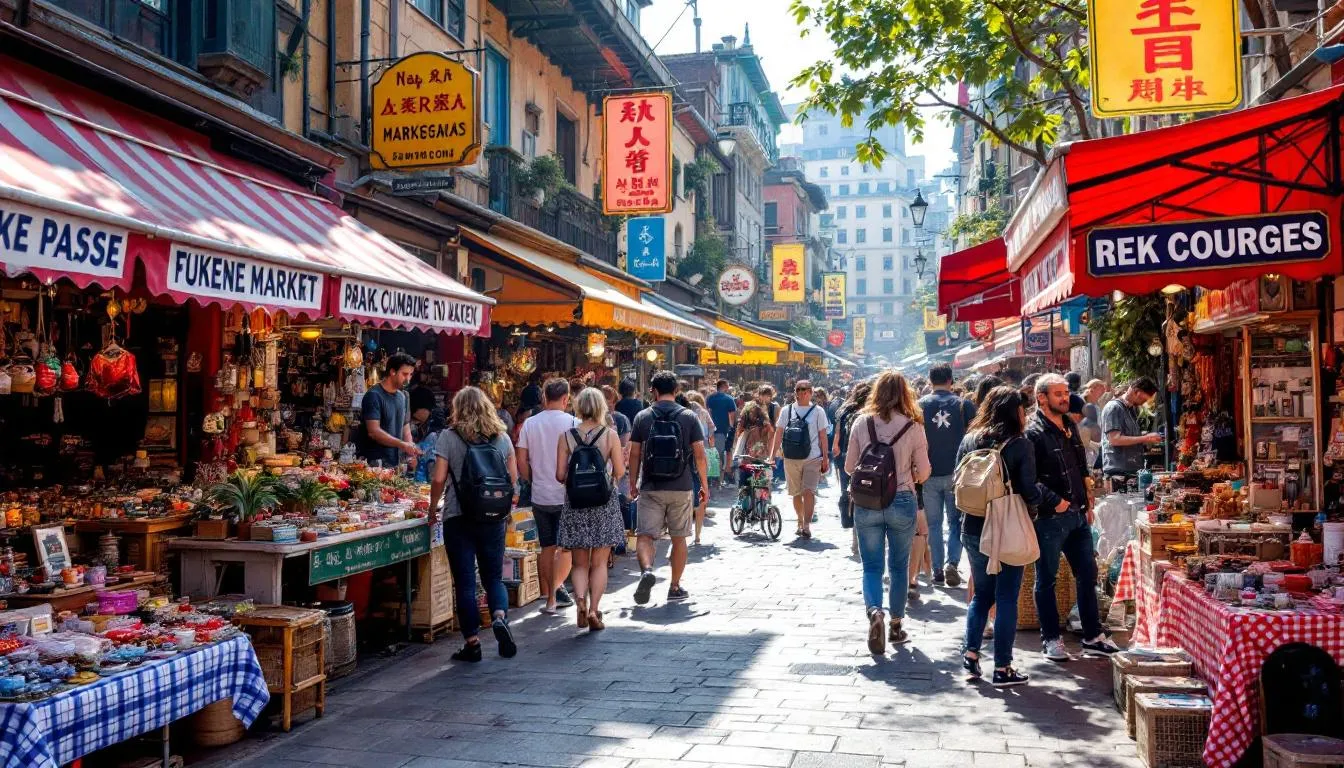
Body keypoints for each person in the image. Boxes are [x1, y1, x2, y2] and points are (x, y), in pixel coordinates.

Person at [1027, 374, 1122, 661]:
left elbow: (1081, 465)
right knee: (1046, 579)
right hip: (1050, 518)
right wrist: (1055, 502)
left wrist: (1088, 500)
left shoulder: (1069, 423)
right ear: (1041, 397)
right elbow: (1028, 481)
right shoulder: (1032, 432)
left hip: (1079, 514)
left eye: (1066, 393)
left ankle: (1092, 635)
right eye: (1058, 394)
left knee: (1088, 575)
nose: (1065, 398)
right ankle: (1051, 639)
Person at [955, 386, 1041, 687]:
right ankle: (1003, 667)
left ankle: (970, 654)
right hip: (1005, 527)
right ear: (1015, 412)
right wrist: (1036, 509)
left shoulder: (970, 439)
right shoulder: (1021, 444)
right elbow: (1029, 490)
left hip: (973, 526)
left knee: (981, 594)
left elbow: (958, 479)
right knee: (1006, 597)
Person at [428, 386, 519, 662]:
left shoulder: (449, 436)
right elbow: (513, 479)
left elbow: (439, 478)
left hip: (459, 517)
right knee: (493, 577)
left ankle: (472, 642)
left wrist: (433, 508)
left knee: (465, 581)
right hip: (493, 518)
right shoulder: (502, 438)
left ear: (458, 408)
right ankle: (500, 617)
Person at [844, 371, 931, 654]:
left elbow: (848, 467)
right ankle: (896, 624)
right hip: (902, 499)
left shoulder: (861, 422)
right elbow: (925, 470)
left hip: (868, 502)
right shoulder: (913, 426)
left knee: (871, 566)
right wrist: (909, 474)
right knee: (898, 566)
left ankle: (874, 613)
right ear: (905, 393)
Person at [628, 370, 708, 604]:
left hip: (651, 485)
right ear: (676, 391)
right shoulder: (689, 416)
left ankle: (647, 571)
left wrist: (633, 482)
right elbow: (700, 455)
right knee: (679, 537)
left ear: (653, 390)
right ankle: (674, 586)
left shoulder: (643, 417)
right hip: (681, 486)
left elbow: (634, 453)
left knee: (645, 535)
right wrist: (704, 484)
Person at [555, 388, 627, 631]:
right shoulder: (610, 436)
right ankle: (595, 610)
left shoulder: (566, 436)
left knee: (579, 563)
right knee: (599, 563)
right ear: (601, 407)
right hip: (603, 504)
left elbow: (560, 475)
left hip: (575, 504)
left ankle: (580, 601)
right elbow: (619, 472)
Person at [517, 378, 578, 613]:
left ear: (544, 398)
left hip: (539, 494)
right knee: (566, 547)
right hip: (566, 495)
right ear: (566, 398)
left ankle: (549, 594)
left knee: (547, 546)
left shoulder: (530, 424)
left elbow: (521, 458)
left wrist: (531, 480)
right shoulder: (574, 422)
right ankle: (556, 593)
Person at [917, 364, 977, 588]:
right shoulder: (964, 405)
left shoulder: (919, 406)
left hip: (928, 472)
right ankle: (953, 562)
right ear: (951, 380)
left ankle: (937, 569)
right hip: (957, 473)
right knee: (955, 522)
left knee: (933, 524)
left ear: (930, 381)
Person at [770, 380, 831, 539]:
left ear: (811, 393)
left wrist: (825, 457)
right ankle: (800, 519)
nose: (801, 393)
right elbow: (779, 433)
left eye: (805, 390)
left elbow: (823, 436)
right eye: (798, 390)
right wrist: (772, 455)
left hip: (813, 457)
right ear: (795, 391)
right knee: (796, 493)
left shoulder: (818, 411)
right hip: (791, 457)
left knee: (809, 491)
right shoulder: (786, 410)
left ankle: (806, 525)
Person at [359, 353, 420, 469]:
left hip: (396, 465)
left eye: (411, 375)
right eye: (405, 374)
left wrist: (411, 451)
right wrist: (402, 444)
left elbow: (405, 427)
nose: (408, 379)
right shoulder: (374, 395)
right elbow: (373, 432)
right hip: (376, 465)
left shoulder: (403, 396)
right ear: (392, 372)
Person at [832, 381, 872, 556]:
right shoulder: (868, 413)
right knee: (866, 498)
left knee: (850, 495)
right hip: (866, 459)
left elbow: (836, 440)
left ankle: (855, 540)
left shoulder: (843, 411)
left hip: (844, 458)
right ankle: (862, 539)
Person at [1100, 377, 1162, 489]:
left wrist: (1145, 437)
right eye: (1143, 399)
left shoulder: (1131, 409)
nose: (1144, 403)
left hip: (1131, 472)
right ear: (1136, 391)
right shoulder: (1114, 408)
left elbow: (1129, 436)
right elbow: (1115, 439)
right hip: (1118, 474)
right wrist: (1145, 438)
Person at [684, 391, 714, 545]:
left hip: (681, 466)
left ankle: (683, 533)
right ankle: (697, 536)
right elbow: (710, 430)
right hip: (697, 460)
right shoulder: (700, 413)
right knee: (701, 498)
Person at [706, 380, 738, 489]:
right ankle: (718, 480)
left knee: (711, 453)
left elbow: (708, 412)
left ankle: (710, 477)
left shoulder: (710, 398)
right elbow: (732, 415)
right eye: (727, 386)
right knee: (719, 455)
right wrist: (731, 427)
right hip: (722, 430)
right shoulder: (729, 399)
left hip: (710, 431)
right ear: (724, 386)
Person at [733, 403, 773, 485]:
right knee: (745, 483)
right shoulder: (744, 425)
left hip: (759, 458)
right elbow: (738, 438)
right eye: (751, 413)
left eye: (755, 413)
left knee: (760, 484)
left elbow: (770, 437)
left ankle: (761, 496)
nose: (753, 416)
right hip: (749, 458)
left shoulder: (764, 426)